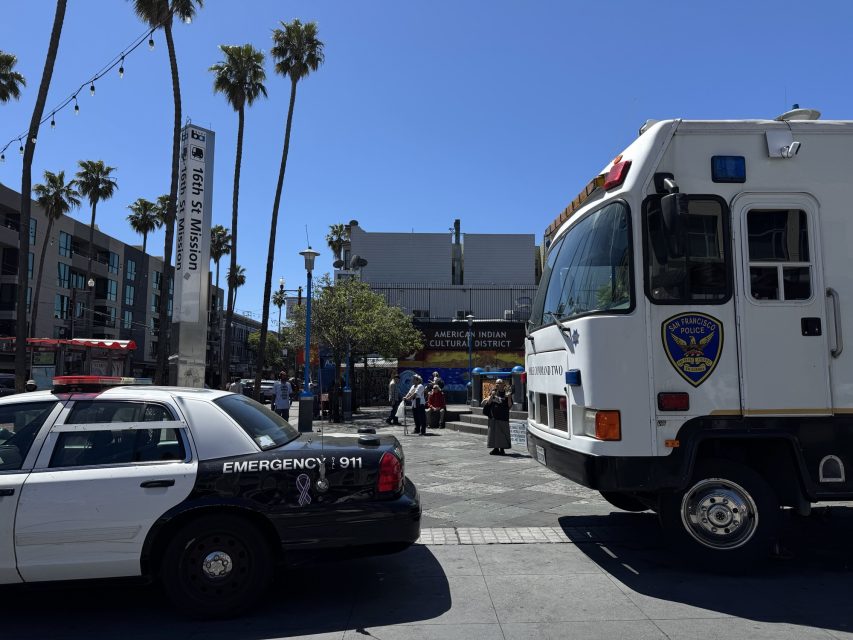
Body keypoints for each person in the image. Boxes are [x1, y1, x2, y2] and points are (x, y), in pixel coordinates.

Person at [482, 378, 512, 455]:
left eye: (499, 383)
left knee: (502, 433)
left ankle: (502, 449)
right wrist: (492, 395)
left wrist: (508, 397)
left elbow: (509, 406)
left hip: (503, 417)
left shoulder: (507, 393)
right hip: (493, 416)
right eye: (496, 383)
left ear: (503, 385)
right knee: (493, 433)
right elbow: (488, 403)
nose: (497, 385)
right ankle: (495, 448)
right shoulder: (494, 392)